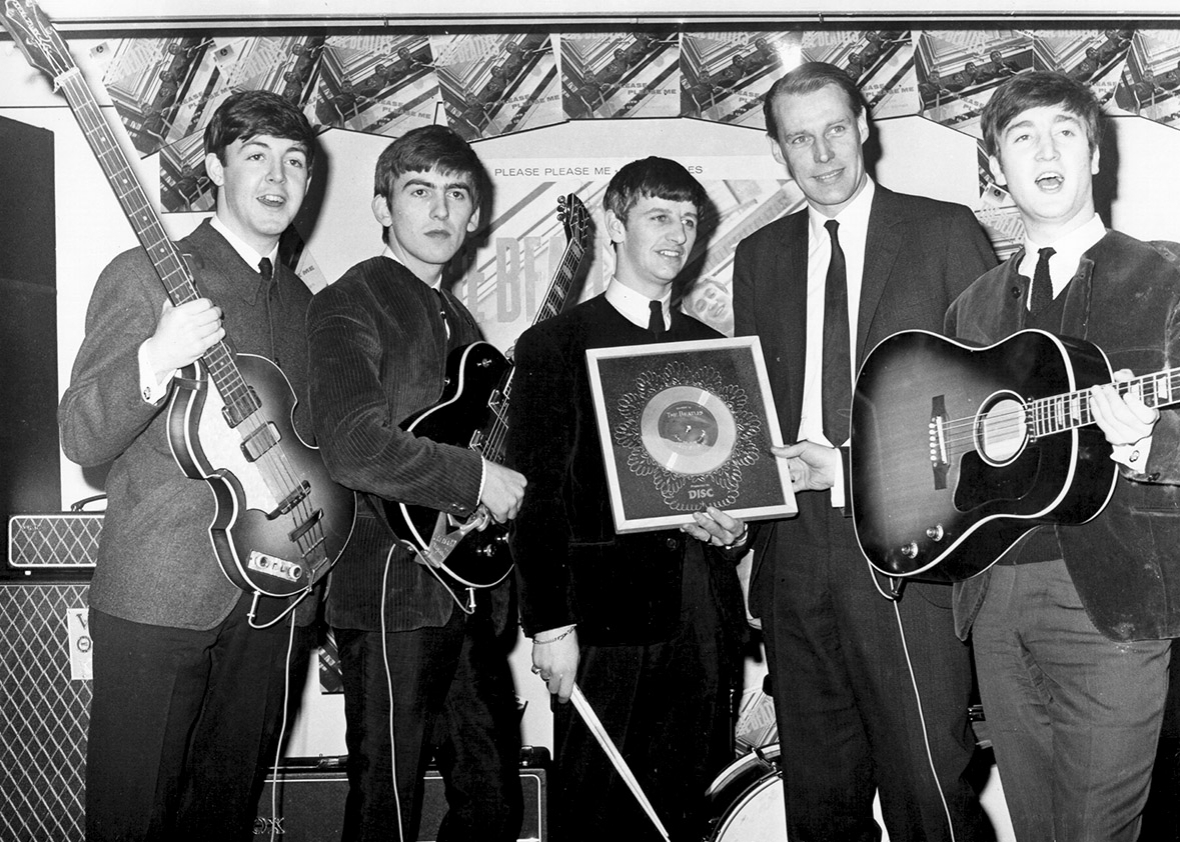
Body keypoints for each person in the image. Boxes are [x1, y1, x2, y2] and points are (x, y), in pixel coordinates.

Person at [732, 62, 998, 841]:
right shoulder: (760, 256)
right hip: (793, 556)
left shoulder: (944, 232)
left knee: (927, 787)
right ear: (779, 152)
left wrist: (855, 472)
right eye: (799, 138)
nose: (822, 153)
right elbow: (758, 411)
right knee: (818, 797)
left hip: (907, 546)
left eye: (835, 130)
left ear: (866, 127)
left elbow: (992, 405)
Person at [59, 90, 322, 841]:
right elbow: (81, 434)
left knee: (223, 817)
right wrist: (155, 357)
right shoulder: (145, 272)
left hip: (272, 604)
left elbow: (321, 454)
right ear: (214, 167)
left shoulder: (306, 305)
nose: (278, 176)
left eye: (295, 160)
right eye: (256, 156)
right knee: (130, 821)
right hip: (159, 596)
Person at [945, 70, 1180, 842]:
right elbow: (946, 455)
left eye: (1064, 131)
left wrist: (1150, 440)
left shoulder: (1166, 280)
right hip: (994, 601)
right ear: (995, 166)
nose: (1045, 149)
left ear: (1095, 154)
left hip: (1111, 603)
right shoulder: (970, 309)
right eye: (1021, 136)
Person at [508, 157, 749, 842]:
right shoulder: (555, 344)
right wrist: (550, 628)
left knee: (687, 812)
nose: (677, 234)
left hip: (700, 620)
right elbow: (538, 497)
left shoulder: (715, 349)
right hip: (601, 627)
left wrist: (735, 533)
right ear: (615, 225)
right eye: (658, 216)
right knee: (596, 815)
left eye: (689, 220)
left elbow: (732, 490)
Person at [306, 124, 526, 842]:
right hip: (389, 595)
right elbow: (353, 446)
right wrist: (474, 477)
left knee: (492, 798)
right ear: (382, 207)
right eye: (419, 191)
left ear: (476, 217)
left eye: (456, 194)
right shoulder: (353, 300)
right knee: (387, 807)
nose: (439, 210)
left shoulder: (458, 317)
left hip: (468, 598)